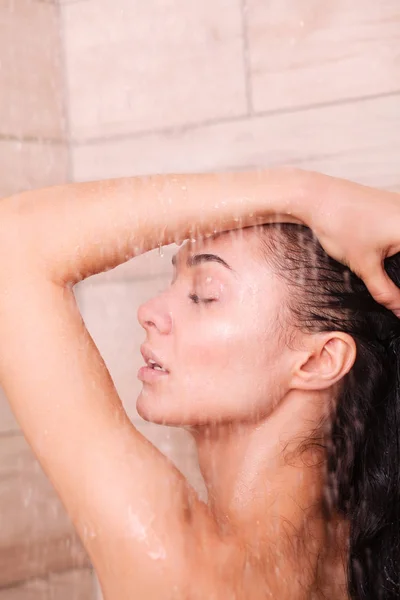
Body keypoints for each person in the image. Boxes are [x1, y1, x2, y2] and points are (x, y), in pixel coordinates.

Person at [0, 167, 398, 599]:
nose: (150, 311)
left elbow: (12, 245)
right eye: (173, 281)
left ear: (319, 360)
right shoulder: (365, 554)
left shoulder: (184, 568)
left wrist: (311, 193)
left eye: (205, 294)